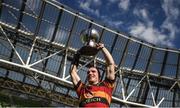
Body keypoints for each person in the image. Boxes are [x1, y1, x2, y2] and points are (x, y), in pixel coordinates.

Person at [70, 43, 115, 107]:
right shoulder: (82, 90)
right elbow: (73, 72)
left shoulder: (107, 86)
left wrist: (102, 48)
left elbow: (110, 64)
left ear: (99, 76)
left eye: (93, 71)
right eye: (88, 72)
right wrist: (77, 55)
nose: (90, 73)